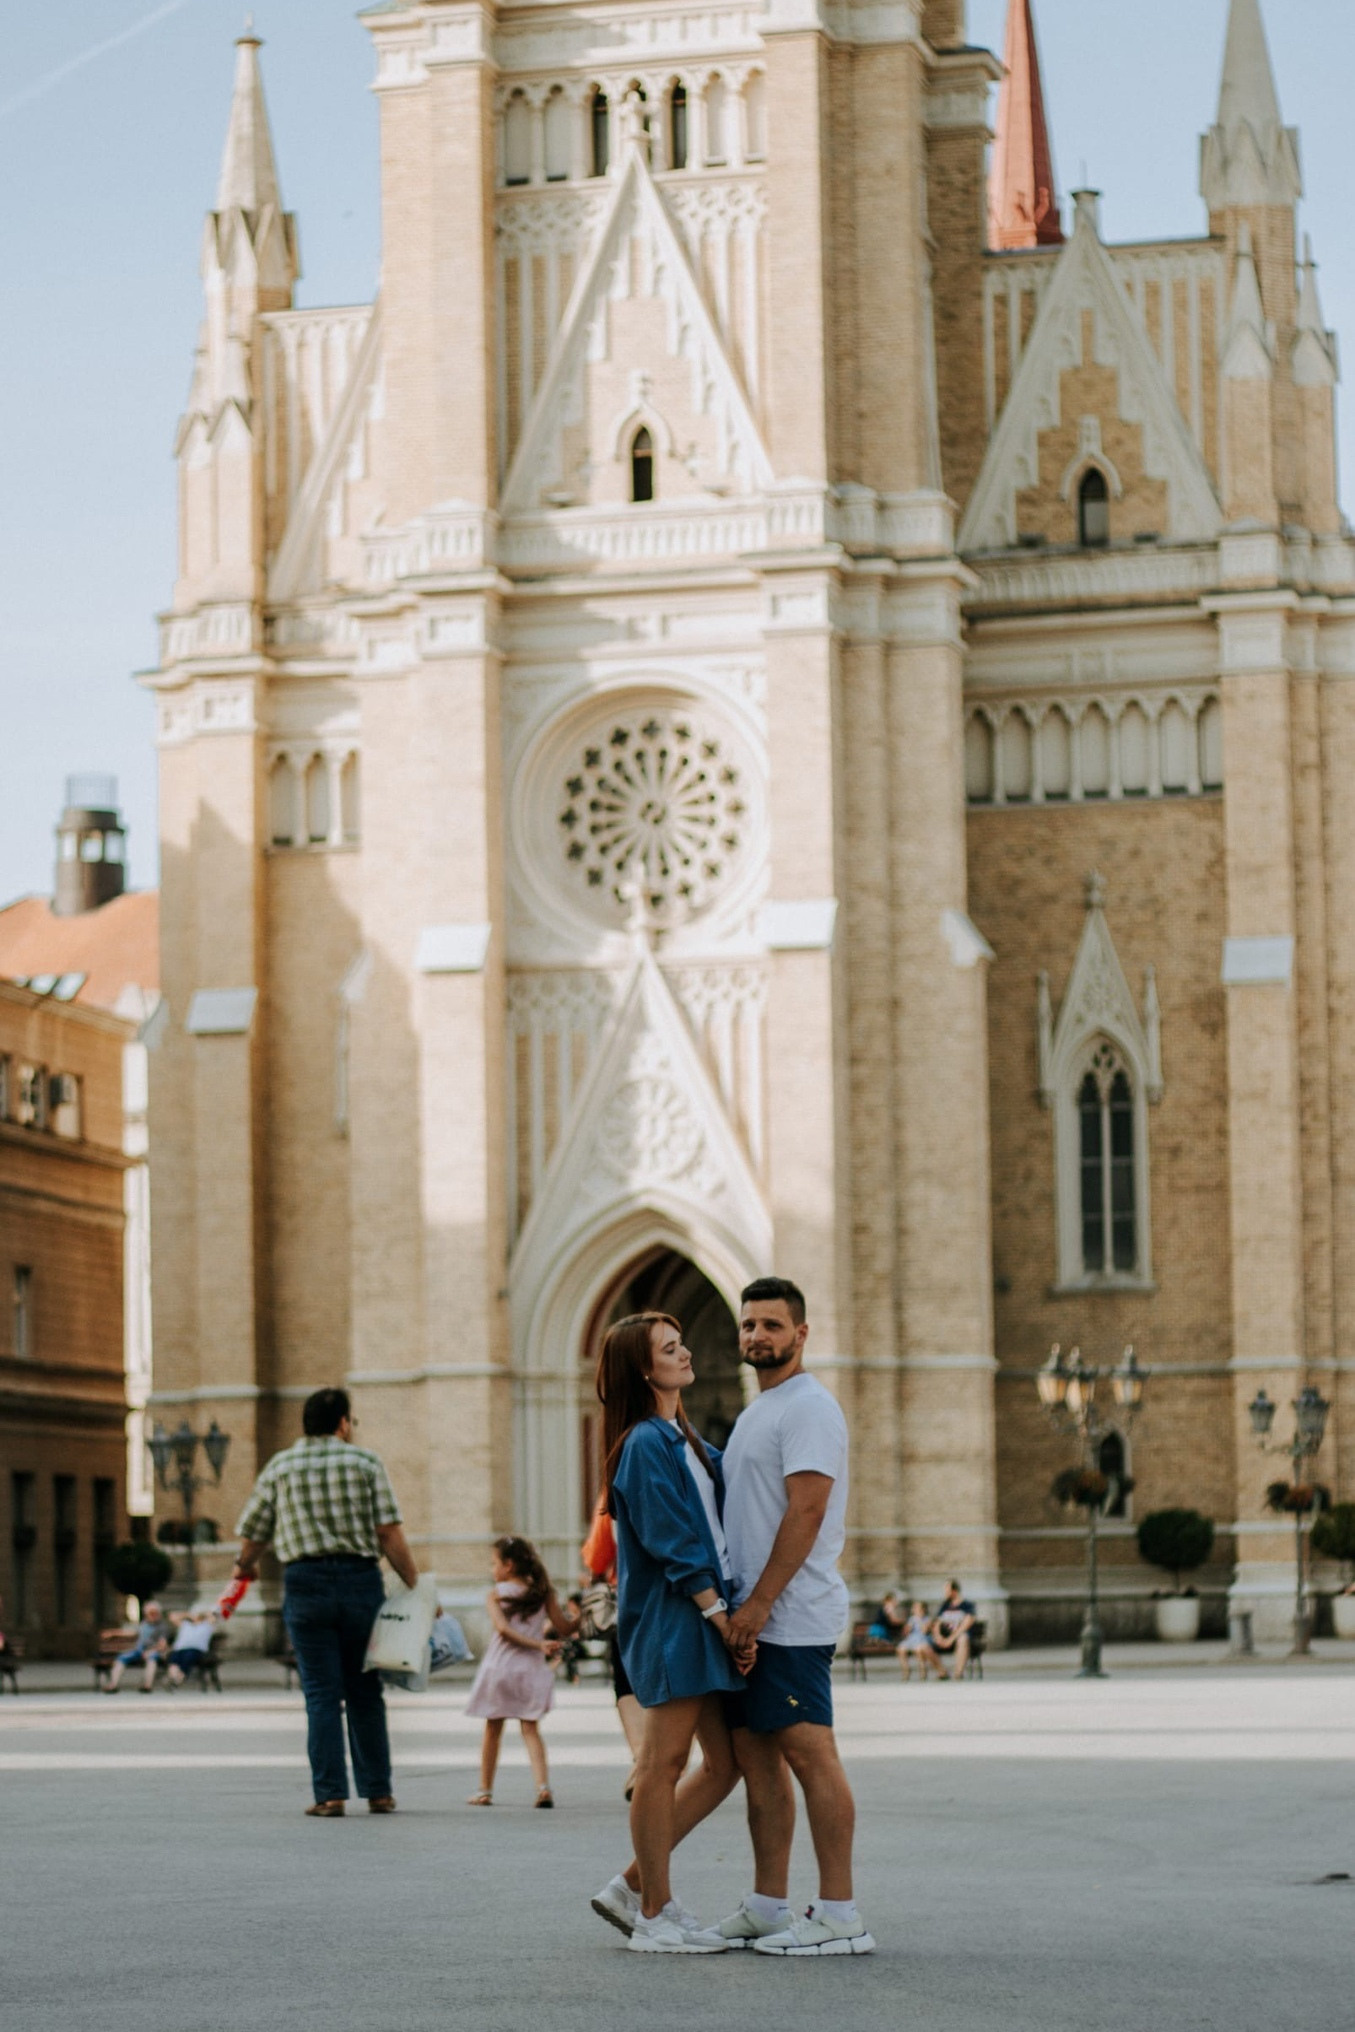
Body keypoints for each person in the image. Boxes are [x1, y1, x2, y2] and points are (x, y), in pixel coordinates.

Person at [704, 1276, 875, 1957]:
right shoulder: (759, 1411)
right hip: (752, 1618)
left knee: (811, 1757)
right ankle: (767, 1905)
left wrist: (759, 1607)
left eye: (771, 1325)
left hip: (789, 1616)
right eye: (748, 1325)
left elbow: (806, 1513)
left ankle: (839, 1913)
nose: (757, 1336)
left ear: (800, 1334)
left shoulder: (808, 1408)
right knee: (758, 1763)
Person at [590, 1311, 749, 1955]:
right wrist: (720, 1614)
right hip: (674, 1620)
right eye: (669, 1348)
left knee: (726, 1764)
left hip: (700, 1617)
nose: (685, 1354)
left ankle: (634, 1885)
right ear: (642, 1367)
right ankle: (653, 1914)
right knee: (661, 1765)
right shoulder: (643, 1444)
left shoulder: (683, 1437)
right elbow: (673, 1540)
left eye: (682, 1342)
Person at [233, 1385, 420, 1817]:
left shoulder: (281, 1466)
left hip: (305, 1582)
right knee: (364, 1691)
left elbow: (255, 1531)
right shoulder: (365, 1461)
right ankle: (379, 1791)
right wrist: (412, 1583)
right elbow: (388, 1532)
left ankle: (330, 1794)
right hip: (359, 1581)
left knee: (320, 1694)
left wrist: (244, 1566)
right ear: (342, 1423)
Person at [465, 1535, 576, 1808]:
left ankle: (485, 1791)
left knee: (492, 1730)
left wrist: (537, 1643)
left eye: (494, 1563)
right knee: (530, 1729)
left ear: (509, 1565)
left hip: (499, 1669)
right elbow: (565, 1627)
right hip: (530, 1671)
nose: (492, 1570)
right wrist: (586, 1612)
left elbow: (503, 1630)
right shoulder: (543, 1592)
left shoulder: (497, 1594)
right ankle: (543, 1787)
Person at [582, 1490, 645, 1800]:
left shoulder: (613, 1491)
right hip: (677, 1598)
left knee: (626, 1681)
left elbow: (597, 1555)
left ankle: (641, 1757)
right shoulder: (689, 1468)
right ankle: (655, 1761)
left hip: (626, 1598)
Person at [104, 1601, 169, 1693]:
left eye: (155, 1613)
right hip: (139, 1650)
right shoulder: (143, 1624)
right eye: (150, 1613)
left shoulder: (162, 1627)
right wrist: (112, 1633)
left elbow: (163, 1645)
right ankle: (113, 1684)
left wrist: (150, 1651)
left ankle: (147, 1685)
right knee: (122, 1658)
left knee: (152, 1659)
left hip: (153, 1651)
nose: (152, 1616)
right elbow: (129, 1632)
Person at [929, 1580, 977, 1680]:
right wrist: (938, 1637)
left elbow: (966, 1624)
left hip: (960, 1637)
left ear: (954, 1591)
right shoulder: (945, 1605)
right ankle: (942, 1672)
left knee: (962, 1638)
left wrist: (951, 1639)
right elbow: (937, 1623)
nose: (945, 1593)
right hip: (945, 1636)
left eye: (947, 1590)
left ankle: (958, 1674)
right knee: (924, 1645)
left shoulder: (967, 1605)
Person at [165, 1608, 219, 1686]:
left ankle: (179, 1678)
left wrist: (202, 1614)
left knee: (188, 1657)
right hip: (180, 1649)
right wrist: (188, 1615)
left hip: (196, 1650)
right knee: (174, 1659)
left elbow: (214, 1617)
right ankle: (173, 1678)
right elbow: (172, 1617)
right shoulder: (185, 1624)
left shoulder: (206, 1625)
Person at [897, 1601, 938, 1683]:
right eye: (914, 1608)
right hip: (911, 1639)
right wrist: (908, 1627)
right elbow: (905, 1633)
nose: (915, 1610)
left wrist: (919, 1620)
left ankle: (923, 1671)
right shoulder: (911, 1619)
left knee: (918, 1649)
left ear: (923, 1609)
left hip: (923, 1638)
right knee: (900, 1649)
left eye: (917, 1608)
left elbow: (925, 1631)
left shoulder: (927, 1619)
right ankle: (906, 1670)